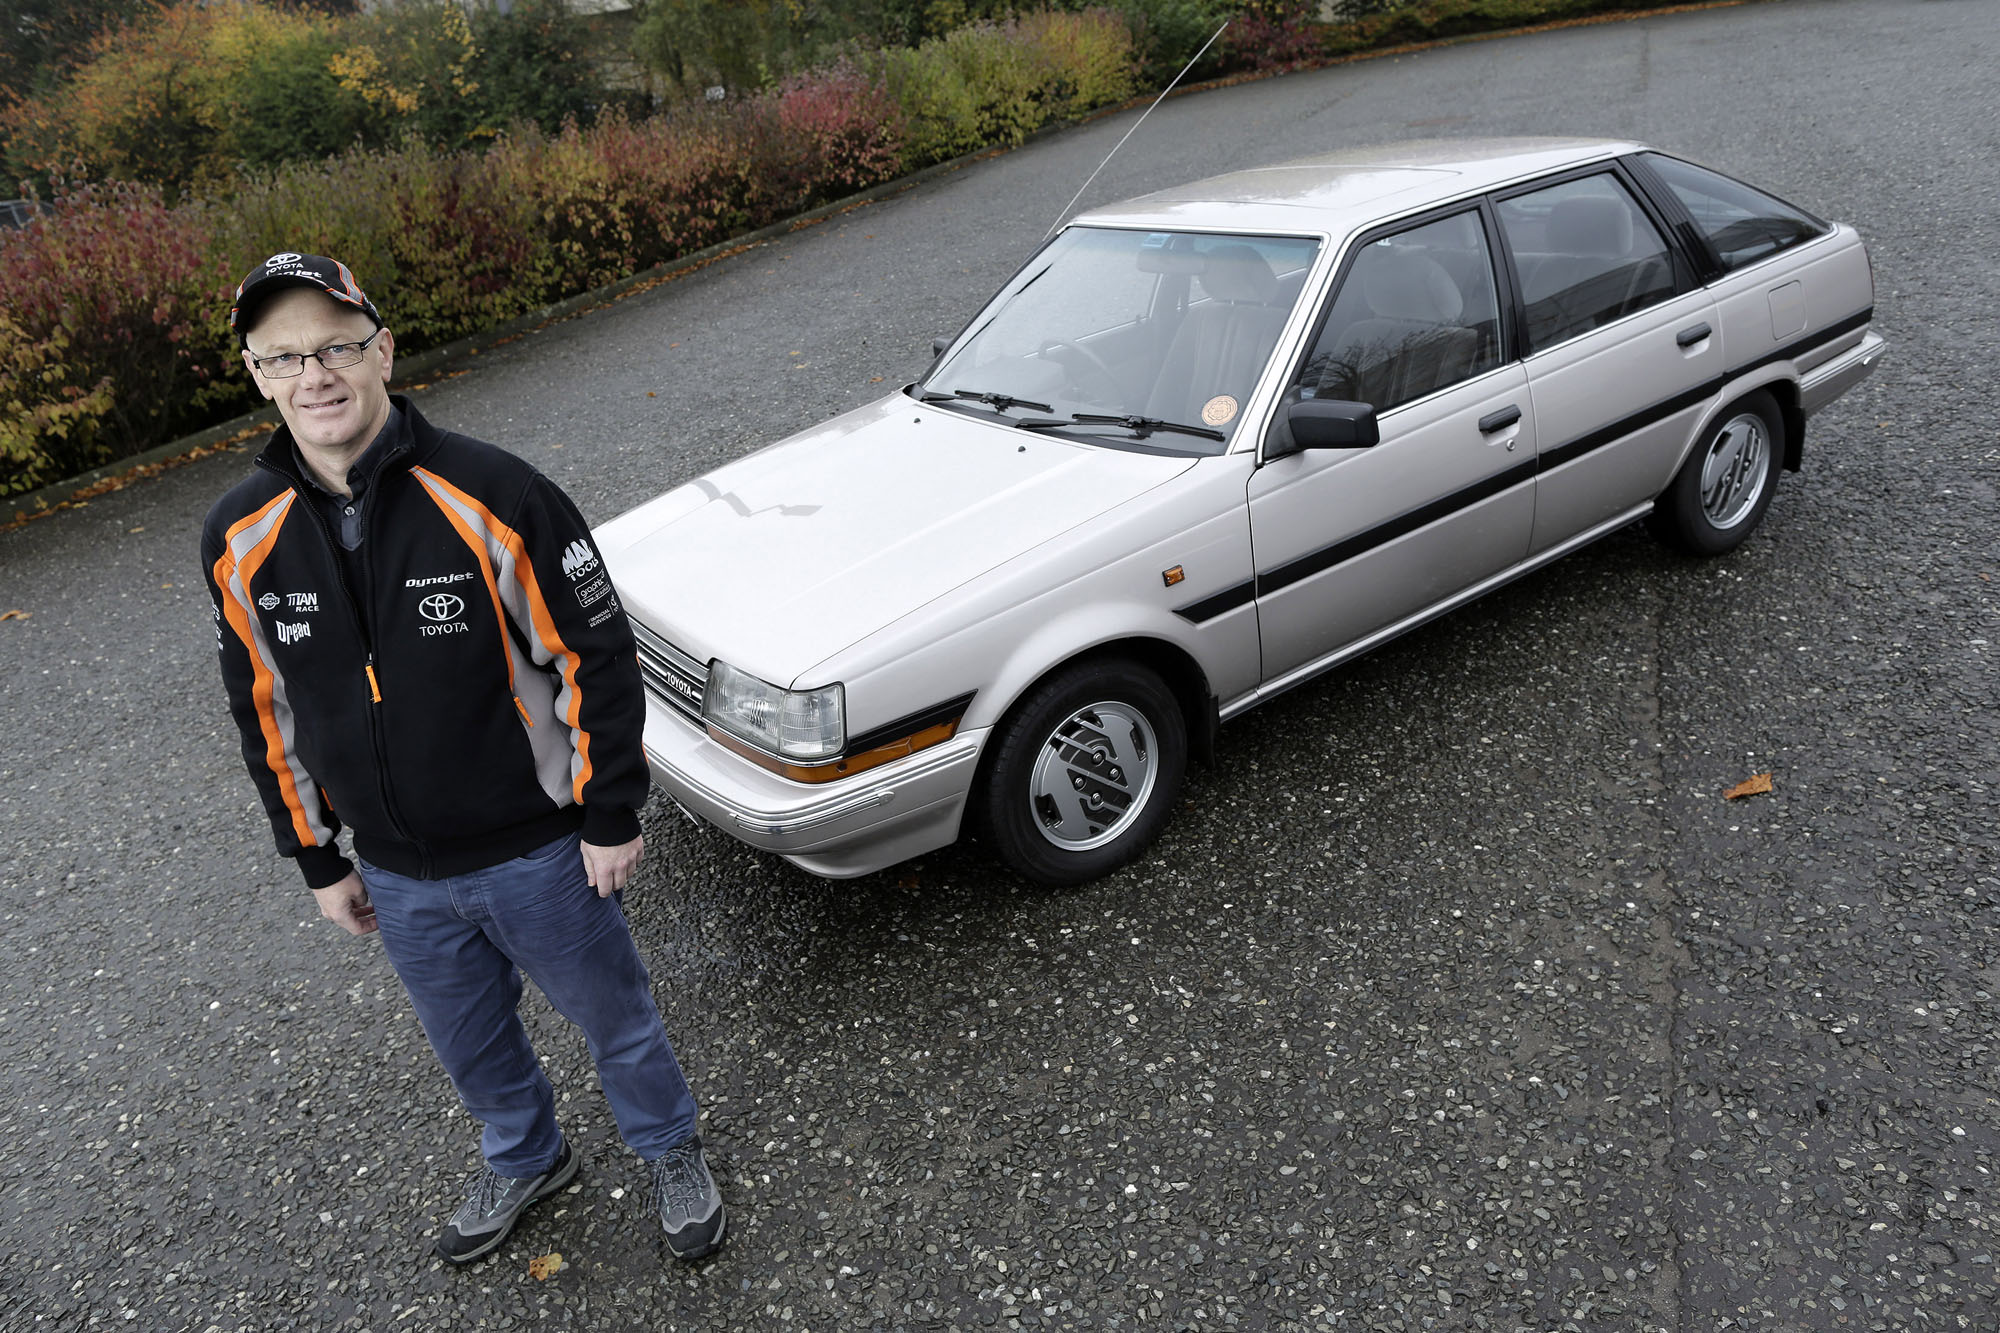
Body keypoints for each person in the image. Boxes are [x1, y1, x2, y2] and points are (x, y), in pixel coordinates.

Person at [200, 253, 727, 1265]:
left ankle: (669, 1149)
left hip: (541, 855)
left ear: (383, 350)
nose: (316, 374)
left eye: (339, 346)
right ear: (258, 375)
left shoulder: (492, 490)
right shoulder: (238, 534)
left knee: (616, 1021)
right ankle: (527, 1155)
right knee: (469, 1045)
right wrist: (316, 857)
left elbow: (595, 656)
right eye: (285, 356)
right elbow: (261, 707)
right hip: (397, 873)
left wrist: (610, 810)